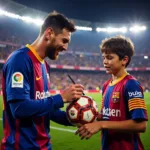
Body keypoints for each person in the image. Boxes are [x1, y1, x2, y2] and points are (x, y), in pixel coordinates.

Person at [1, 12, 84, 150]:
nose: (65, 48)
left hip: (44, 146)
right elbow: (20, 109)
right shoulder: (20, 60)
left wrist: (78, 118)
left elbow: (47, 110)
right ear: (49, 33)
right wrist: (61, 98)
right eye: (64, 41)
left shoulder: (44, 66)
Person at [76, 35, 148, 150]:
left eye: (109, 58)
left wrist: (101, 124)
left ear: (124, 60)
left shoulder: (130, 84)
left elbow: (141, 125)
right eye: (104, 57)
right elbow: (108, 117)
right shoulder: (106, 85)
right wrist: (87, 114)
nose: (105, 61)